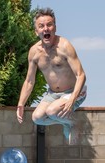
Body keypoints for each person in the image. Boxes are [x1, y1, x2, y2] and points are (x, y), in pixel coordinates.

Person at [16, 8, 87, 145]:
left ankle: (73, 123)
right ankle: (67, 122)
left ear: (55, 27)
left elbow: (81, 75)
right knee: (37, 118)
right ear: (36, 31)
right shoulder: (34, 52)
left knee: (52, 110)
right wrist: (21, 103)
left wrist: (72, 99)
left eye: (49, 25)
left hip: (75, 91)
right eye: (41, 26)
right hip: (54, 94)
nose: (46, 29)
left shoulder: (65, 46)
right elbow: (29, 81)